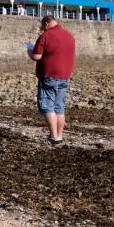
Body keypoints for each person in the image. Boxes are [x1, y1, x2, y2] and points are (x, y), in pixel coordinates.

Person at [27, 15, 76, 145]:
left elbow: (37, 56)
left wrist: (29, 51)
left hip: (49, 75)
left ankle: (53, 136)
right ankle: (59, 136)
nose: (42, 28)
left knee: (48, 105)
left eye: (43, 26)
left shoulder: (46, 35)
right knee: (59, 107)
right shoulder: (69, 36)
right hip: (64, 75)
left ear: (47, 23)